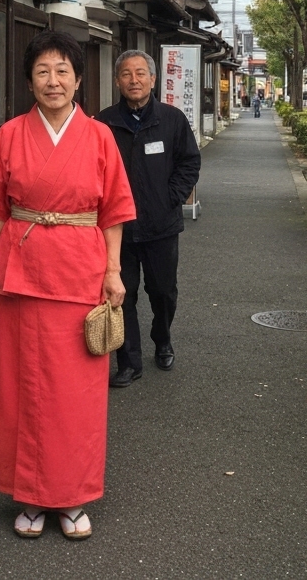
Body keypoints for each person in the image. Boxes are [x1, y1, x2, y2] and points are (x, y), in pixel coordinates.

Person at [0, 31, 136, 541]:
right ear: (29, 82)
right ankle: (29, 497)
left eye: (63, 71)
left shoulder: (101, 137)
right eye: (43, 71)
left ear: (79, 80)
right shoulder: (10, 134)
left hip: (79, 274)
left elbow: (114, 211)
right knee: (19, 388)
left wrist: (113, 271)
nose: (53, 81)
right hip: (22, 273)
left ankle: (72, 496)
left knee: (76, 394)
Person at [96, 51, 201, 388]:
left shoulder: (172, 119)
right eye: (126, 74)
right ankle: (129, 362)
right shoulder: (103, 123)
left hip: (161, 226)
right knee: (120, 295)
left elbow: (189, 163)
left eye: (141, 73)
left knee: (163, 292)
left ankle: (163, 338)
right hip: (118, 229)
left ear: (153, 80)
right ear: (117, 81)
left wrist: (171, 197)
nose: (134, 80)